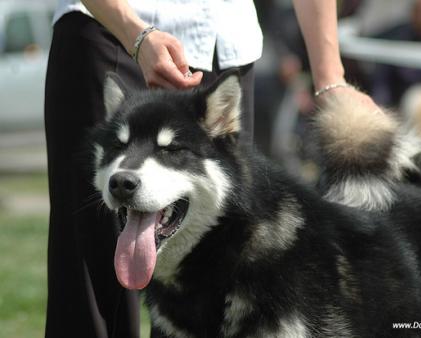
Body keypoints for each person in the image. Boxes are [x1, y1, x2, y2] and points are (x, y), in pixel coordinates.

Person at [44, 1, 379, 337]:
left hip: (225, 44)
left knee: (221, 292)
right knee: (91, 284)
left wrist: (330, 78)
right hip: (110, 29)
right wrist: (137, 35)